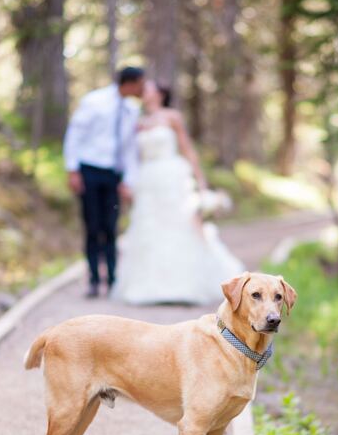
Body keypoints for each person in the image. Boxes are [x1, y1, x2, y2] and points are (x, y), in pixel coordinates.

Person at [114, 80, 243, 305]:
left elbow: (187, 149)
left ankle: (185, 284)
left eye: (149, 89)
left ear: (160, 94)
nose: (144, 92)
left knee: (180, 225)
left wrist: (200, 181)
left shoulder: (172, 117)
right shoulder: (138, 122)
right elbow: (131, 157)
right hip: (148, 180)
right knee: (149, 228)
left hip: (172, 177)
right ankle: (150, 286)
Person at [63, 66, 145, 297]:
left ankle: (112, 278)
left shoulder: (131, 109)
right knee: (92, 227)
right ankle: (93, 279)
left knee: (110, 227)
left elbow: (130, 149)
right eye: (141, 83)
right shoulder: (95, 101)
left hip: (113, 175)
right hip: (89, 170)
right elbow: (75, 134)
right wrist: (73, 170)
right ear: (130, 82)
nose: (143, 89)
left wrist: (128, 179)